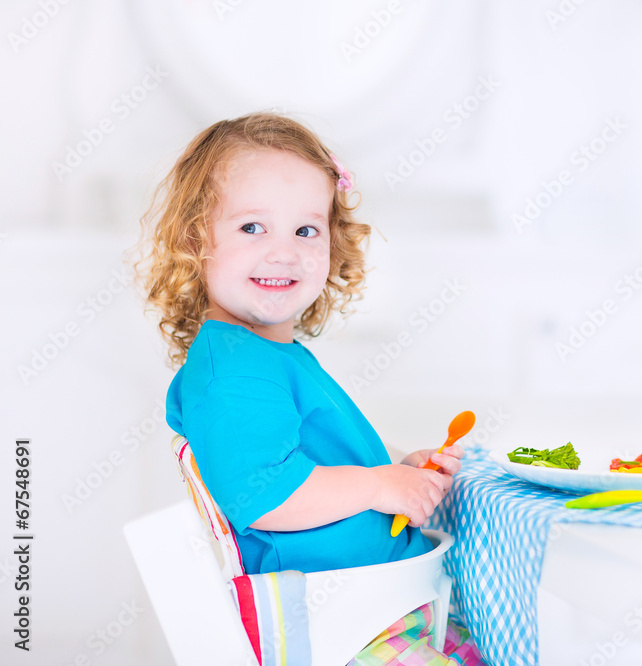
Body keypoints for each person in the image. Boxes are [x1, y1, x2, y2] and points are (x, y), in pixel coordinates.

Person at [135, 112, 483, 665]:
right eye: (252, 227)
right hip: (341, 628)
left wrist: (396, 473)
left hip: (378, 607)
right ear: (195, 240)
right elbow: (266, 494)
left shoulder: (269, 357)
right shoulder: (233, 371)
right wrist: (377, 487)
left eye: (306, 230)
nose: (283, 251)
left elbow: (319, 467)